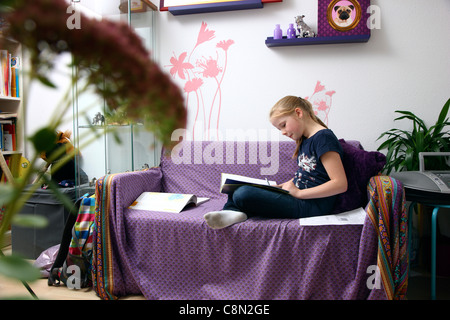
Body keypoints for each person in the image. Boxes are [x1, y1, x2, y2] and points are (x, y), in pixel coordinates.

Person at [204, 96, 348, 229]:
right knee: (235, 188)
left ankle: (236, 211)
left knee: (243, 194)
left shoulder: (323, 138)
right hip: (299, 196)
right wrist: (283, 186)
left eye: (283, 125)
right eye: (280, 129)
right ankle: (233, 212)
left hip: (313, 204)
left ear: (298, 113)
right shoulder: (305, 139)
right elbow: (307, 174)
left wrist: (298, 193)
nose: (283, 132)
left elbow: (340, 184)